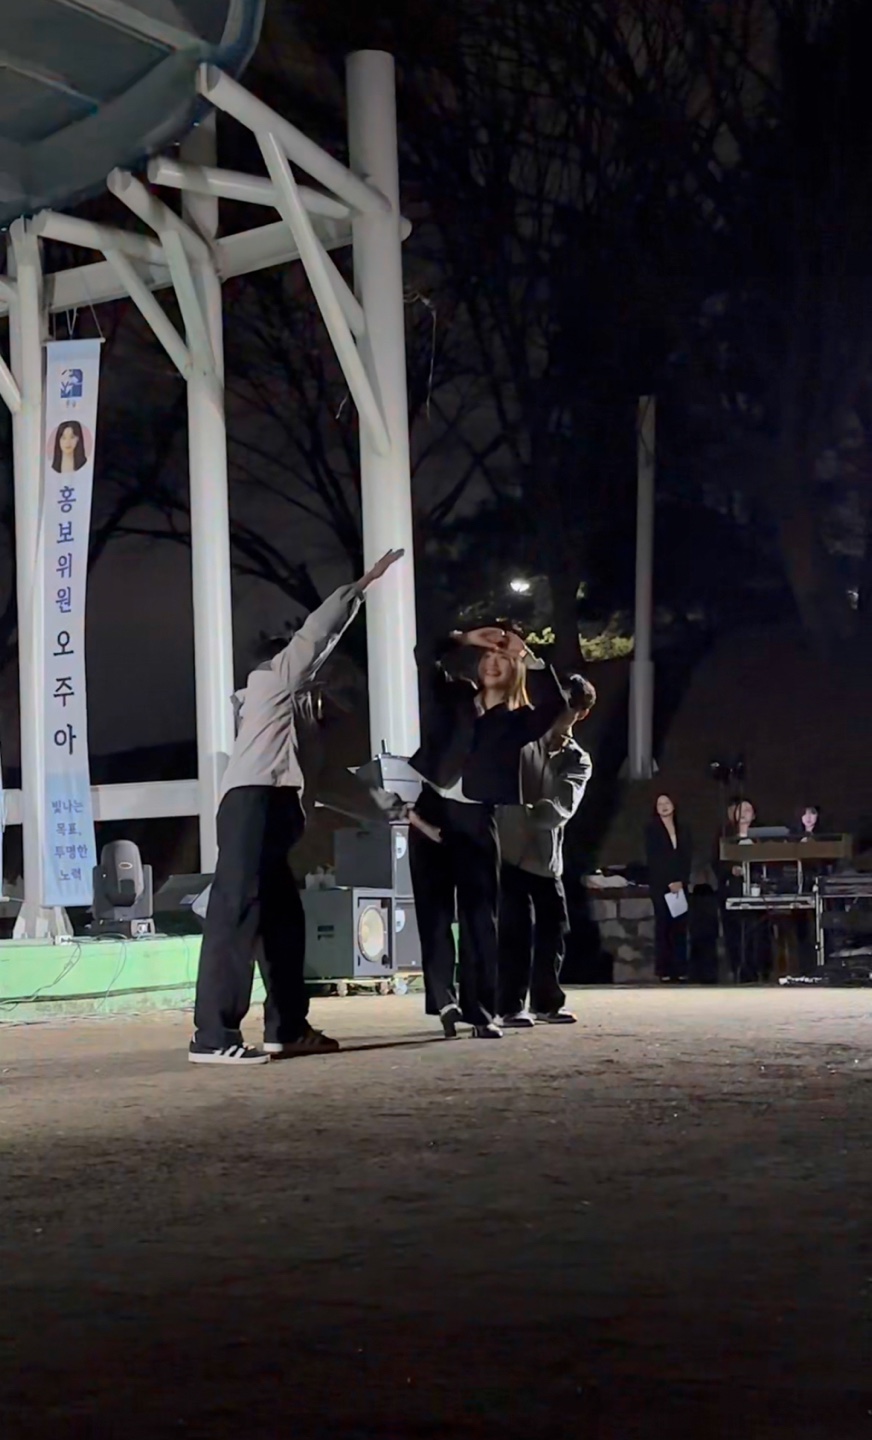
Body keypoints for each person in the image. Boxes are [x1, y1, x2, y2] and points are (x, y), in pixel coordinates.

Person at [189, 549, 404, 1065]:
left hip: (277, 813)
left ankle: (287, 1027)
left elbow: (328, 782)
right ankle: (212, 1036)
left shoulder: (299, 718)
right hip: (253, 805)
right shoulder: (271, 684)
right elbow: (313, 639)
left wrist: (396, 811)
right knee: (235, 914)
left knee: (284, 922)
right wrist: (358, 589)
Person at [409, 624, 567, 1039]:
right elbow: (425, 656)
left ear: (514, 670)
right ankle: (444, 1001)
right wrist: (463, 639)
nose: (493, 663)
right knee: (433, 912)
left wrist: (526, 654)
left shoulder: (519, 721)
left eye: (502, 658)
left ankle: (480, 1011)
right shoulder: (457, 695)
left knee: (480, 918)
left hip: (476, 817)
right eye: (488, 657)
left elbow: (555, 703)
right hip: (430, 809)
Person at [496, 674, 596, 1026]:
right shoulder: (522, 739)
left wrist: (524, 809)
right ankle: (510, 1005)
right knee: (514, 929)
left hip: (544, 856)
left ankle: (547, 1002)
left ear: (580, 713)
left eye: (566, 705)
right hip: (506, 850)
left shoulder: (577, 759)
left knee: (554, 928)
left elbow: (561, 806)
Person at [716, 797, 771, 982]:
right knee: (735, 932)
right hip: (733, 889)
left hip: (757, 889)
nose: (744, 814)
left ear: (754, 815)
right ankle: (739, 969)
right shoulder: (726, 835)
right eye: (740, 810)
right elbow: (716, 861)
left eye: (748, 810)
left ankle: (761, 968)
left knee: (758, 931)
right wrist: (731, 869)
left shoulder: (761, 836)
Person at [645, 794, 693, 982]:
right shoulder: (651, 830)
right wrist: (669, 881)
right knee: (663, 926)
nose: (664, 806)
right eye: (660, 804)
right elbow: (654, 858)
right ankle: (664, 970)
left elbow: (686, 856)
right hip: (661, 885)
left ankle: (680, 969)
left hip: (680, 885)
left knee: (680, 927)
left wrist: (681, 880)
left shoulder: (683, 828)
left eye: (667, 803)